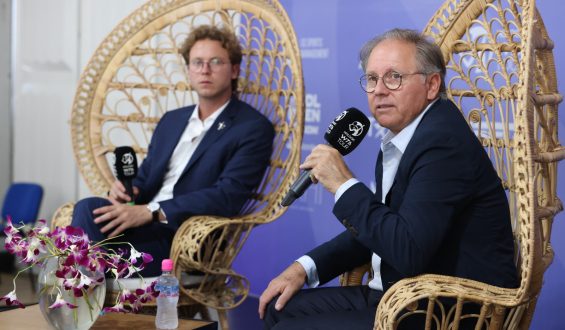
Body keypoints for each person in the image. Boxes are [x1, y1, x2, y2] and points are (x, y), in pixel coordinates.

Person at [259, 28, 517, 329]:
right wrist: (303, 268)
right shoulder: (405, 136)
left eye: (394, 77)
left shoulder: (442, 144)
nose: (379, 90)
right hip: (396, 294)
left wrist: (343, 183)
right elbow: (381, 226)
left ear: (432, 85)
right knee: (280, 308)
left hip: (444, 309)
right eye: (371, 79)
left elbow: (407, 250)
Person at [71, 25, 275, 277]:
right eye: (197, 62)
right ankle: (91, 282)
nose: (205, 70)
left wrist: (151, 212)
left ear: (233, 70)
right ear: (188, 70)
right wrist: (127, 191)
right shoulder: (172, 120)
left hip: (183, 237)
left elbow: (227, 195)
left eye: (215, 62)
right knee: (88, 207)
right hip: (141, 224)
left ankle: (84, 290)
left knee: (90, 251)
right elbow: (144, 180)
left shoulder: (252, 127)